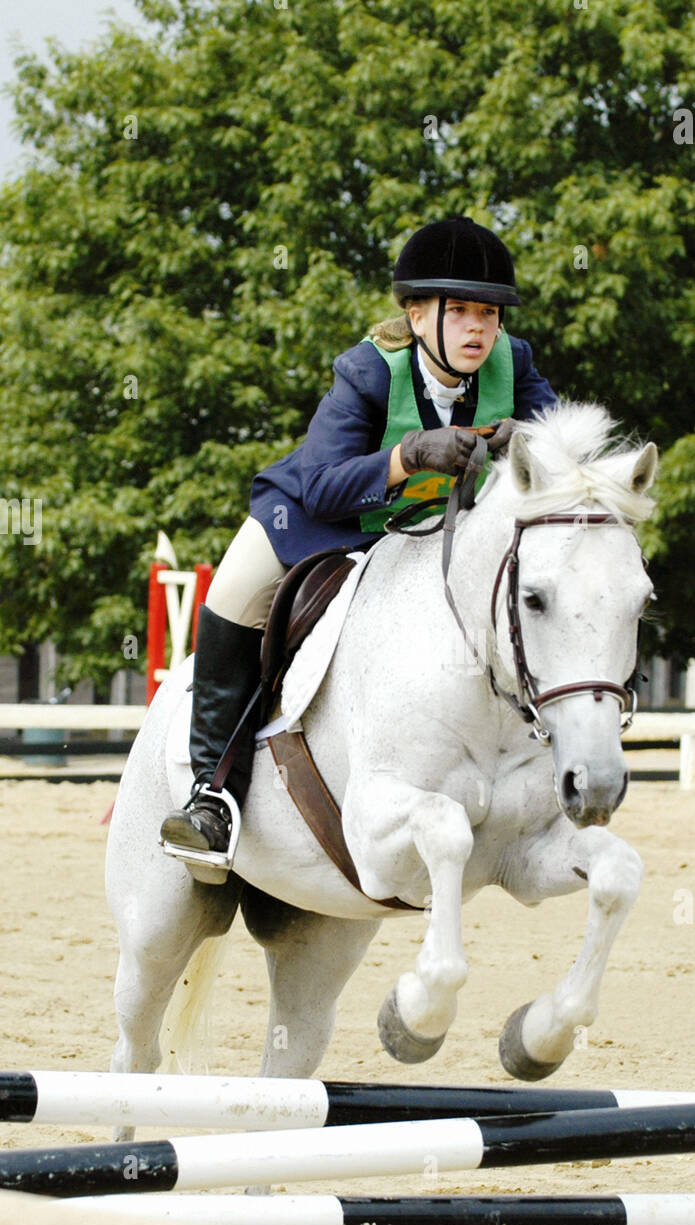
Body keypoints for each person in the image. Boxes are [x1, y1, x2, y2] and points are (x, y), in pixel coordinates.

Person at [159, 215, 558, 868]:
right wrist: (406, 456)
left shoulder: (512, 362)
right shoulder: (367, 372)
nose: (478, 328)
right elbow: (320, 486)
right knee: (233, 594)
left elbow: (563, 439)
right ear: (416, 313)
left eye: (488, 313)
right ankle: (211, 797)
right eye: (458, 311)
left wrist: (534, 440)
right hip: (313, 520)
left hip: (419, 538)